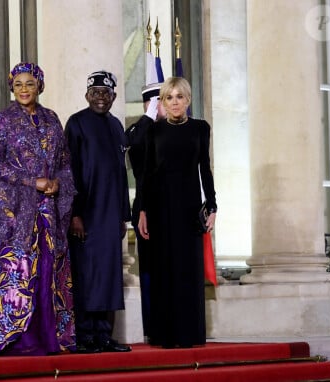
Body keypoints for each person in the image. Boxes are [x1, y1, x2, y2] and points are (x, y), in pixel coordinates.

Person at [0, 62, 76, 356]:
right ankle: (15, 338)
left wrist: (58, 182)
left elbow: (66, 162)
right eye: (18, 84)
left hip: (48, 211)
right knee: (18, 271)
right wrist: (33, 182)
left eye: (29, 83)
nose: (23, 89)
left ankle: (50, 337)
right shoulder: (4, 120)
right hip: (17, 214)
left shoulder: (51, 118)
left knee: (47, 269)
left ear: (39, 86)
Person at [137, 76, 217, 349]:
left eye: (179, 97)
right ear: (163, 102)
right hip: (159, 207)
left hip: (189, 207)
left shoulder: (200, 128)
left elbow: (205, 169)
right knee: (164, 268)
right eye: (168, 97)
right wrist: (143, 210)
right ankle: (164, 335)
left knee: (188, 269)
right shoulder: (153, 131)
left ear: (188, 100)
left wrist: (213, 206)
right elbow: (146, 174)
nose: (174, 102)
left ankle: (189, 333)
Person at [64, 70, 132, 354]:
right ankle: (84, 336)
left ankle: (104, 335)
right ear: (86, 95)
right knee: (86, 275)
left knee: (108, 276)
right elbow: (69, 171)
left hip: (110, 215)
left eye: (106, 93)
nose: (100, 98)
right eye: (95, 93)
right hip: (86, 215)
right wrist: (74, 214)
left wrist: (123, 217)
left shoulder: (117, 126)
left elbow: (121, 173)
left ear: (114, 97)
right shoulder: (76, 123)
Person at [125, 83, 166, 340]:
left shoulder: (179, 128)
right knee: (150, 269)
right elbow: (132, 146)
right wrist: (148, 118)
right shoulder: (139, 128)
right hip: (146, 208)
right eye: (160, 101)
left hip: (174, 207)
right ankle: (153, 328)